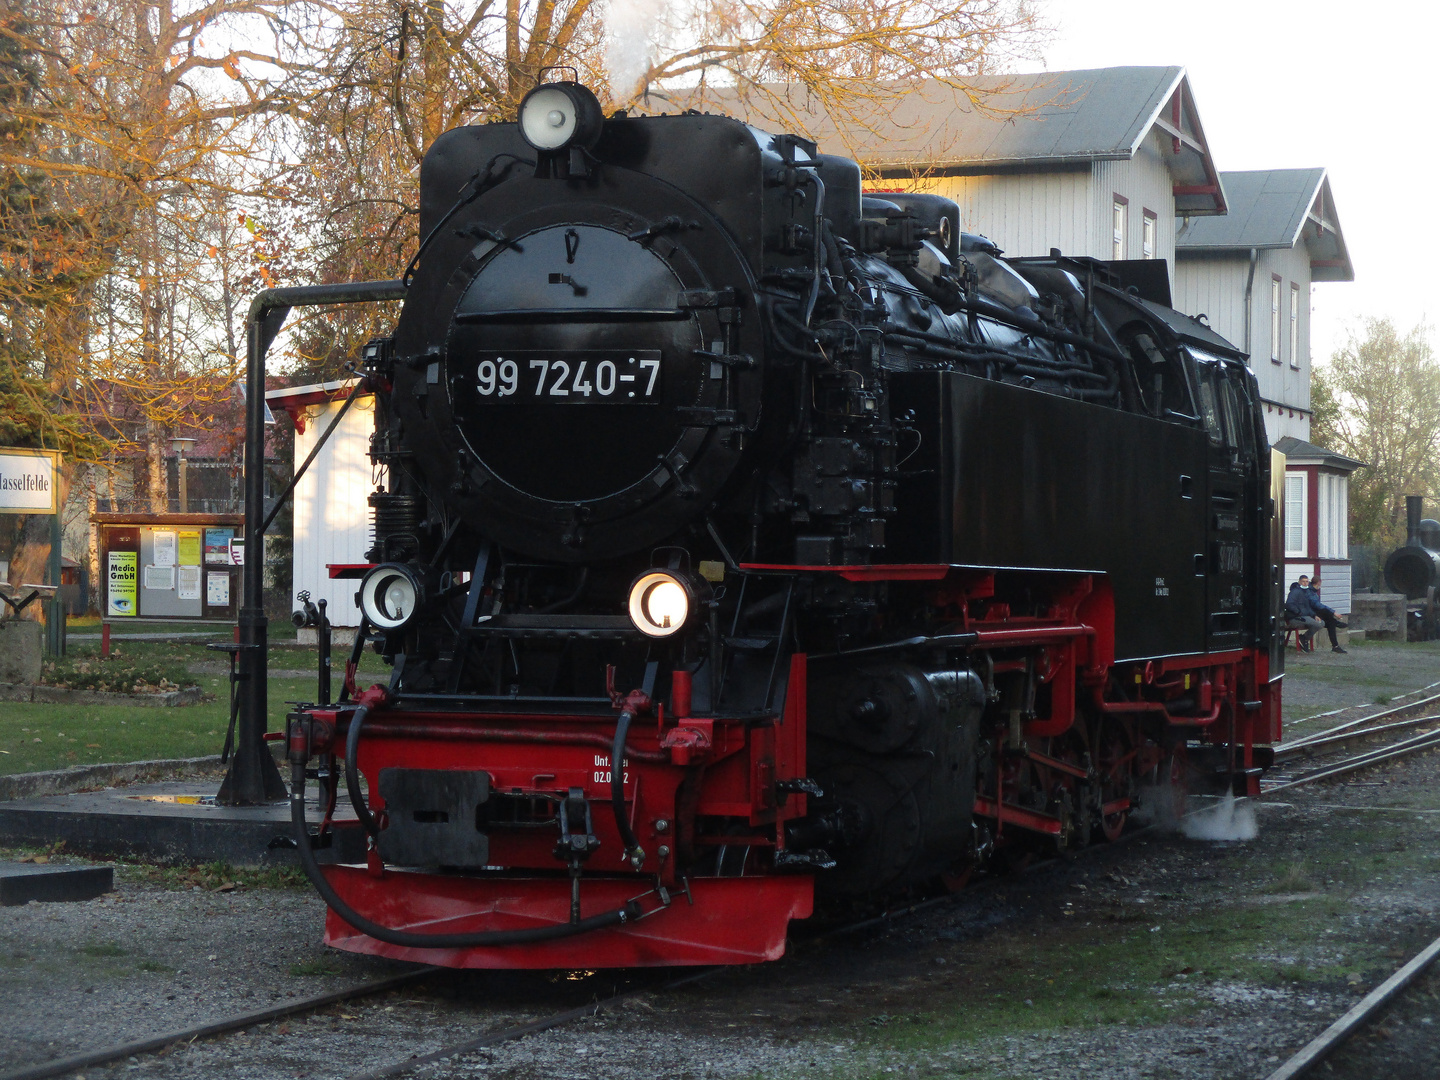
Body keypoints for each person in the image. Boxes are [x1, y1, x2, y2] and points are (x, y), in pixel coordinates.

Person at [1284, 575, 1348, 653]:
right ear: (1299, 582)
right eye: (1303, 581)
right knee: (1322, 619)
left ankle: (1305, 638)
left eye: (1306, 581)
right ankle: (1305, 638)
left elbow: (1308, 608)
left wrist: (1314, 615)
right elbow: (1289, 604)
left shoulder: (1305, 592)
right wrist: (1298, 612)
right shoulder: (1295, 592)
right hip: (1296, 617)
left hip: (1306, 615)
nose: (1305, 583)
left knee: (1322, 622)